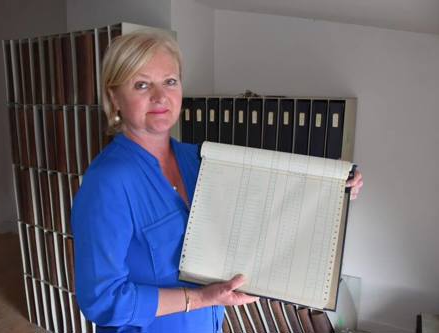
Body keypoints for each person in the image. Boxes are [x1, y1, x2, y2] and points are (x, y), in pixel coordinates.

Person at [71, 30, 363, 333]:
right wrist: (200, 297)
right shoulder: (107, 184)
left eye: (170, 81)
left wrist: (336, 188)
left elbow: (272, 195)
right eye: (141, 84)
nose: (160, 96)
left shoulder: (199, 158)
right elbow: (103, 301)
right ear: (114, 97)